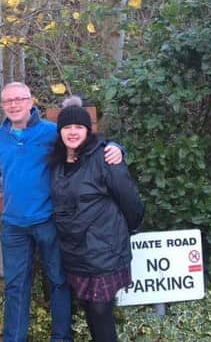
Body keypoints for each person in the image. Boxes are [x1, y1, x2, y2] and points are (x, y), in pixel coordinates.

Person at [0, 82, 123, 342]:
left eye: (19, 99)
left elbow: (83, 142)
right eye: (8, 101)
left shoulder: (50, 132)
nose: (13, 104)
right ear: (3, 105)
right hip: (13, 226)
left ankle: (61, 337)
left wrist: (115, 147)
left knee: (58, 282)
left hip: (49, 221)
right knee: (15, 286)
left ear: (30, 101)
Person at [49, 97, 144, 342]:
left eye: (78, 127)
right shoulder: (57, 163)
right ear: (59, 131)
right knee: (88, 308)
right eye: (67, 127)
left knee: (101, 310)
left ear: (87, 130)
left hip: (104, 250)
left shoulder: (105, 157)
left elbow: (131, 201)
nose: (72, 132)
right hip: (75, 252)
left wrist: (127, 229)